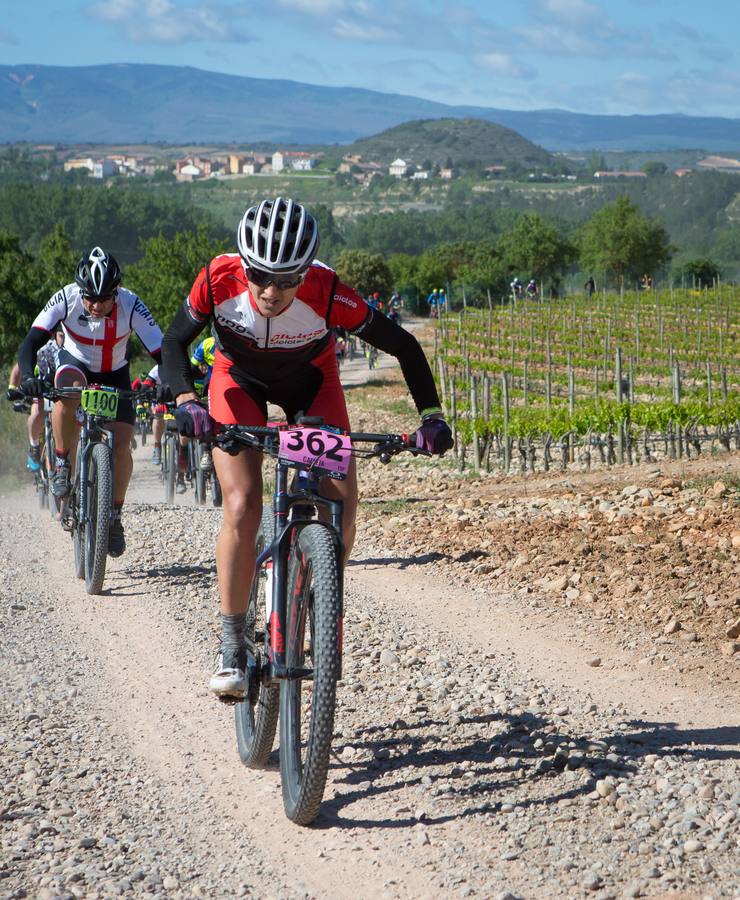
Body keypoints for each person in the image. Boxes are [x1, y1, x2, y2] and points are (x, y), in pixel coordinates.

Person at [161, 197, 453, 699]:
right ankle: (232, 644)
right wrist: (187, 399)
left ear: (306, 273)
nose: (272, 290)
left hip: (311, 384)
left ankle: (317, 597)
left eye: (287, 279)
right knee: (242, 503)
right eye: (260, 276)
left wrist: (431, 416)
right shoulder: (216, 279)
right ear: (243, 265)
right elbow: (172, 344)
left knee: (341, 498)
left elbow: (403, 345)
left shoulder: (329, 289)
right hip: (239, 382)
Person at [17, 246, 163, 556]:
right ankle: (61, 462)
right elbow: (30, 341)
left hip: (115, 373)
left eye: (104, 298)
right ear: (80, 291)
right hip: (76, 363)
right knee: (66, 391)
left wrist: (172, 387)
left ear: (117, 291)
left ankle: (115, 517)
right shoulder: (66, 297)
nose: (96, 305)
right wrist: (29, 377)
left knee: (122, 443)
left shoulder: (132, 304)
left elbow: (163, 352)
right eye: (90, 298)